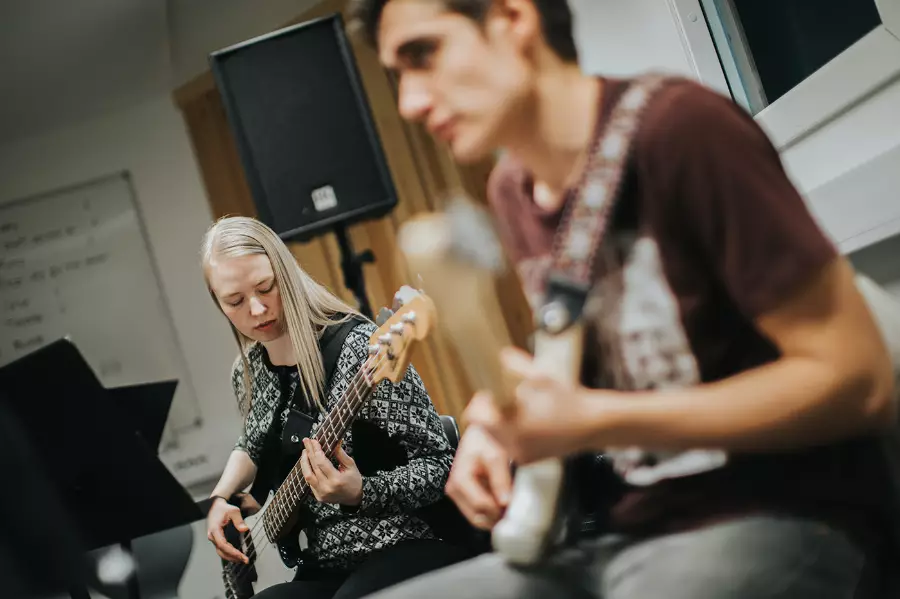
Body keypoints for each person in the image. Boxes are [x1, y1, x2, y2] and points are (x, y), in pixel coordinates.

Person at [347, 0, 898, 597]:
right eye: (397, 75)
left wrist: (595, 420)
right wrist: (493, 427)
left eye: (423, 55)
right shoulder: (512, 190)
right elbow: (585, 369)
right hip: (632, 531)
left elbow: (859, 379)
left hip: (786, 513)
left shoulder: (682, 130)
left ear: (512, 17)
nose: (409, 103)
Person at [201, 216, 468, 599]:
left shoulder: (362, 349)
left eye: (265, 288)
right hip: (323, 564)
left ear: (286, 275)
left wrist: (363, 492)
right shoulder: (248, 372)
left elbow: (442, 467)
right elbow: (253, 442)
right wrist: (221, 498)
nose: (256, 309)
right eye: (235, 301)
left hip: (403, 543)